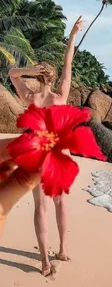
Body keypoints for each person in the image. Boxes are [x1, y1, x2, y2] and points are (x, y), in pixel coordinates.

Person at [8, 16, 84, 276]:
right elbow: (68, 62)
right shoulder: (60, 96)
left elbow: (11, 73)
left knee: (41, 207)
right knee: (60, 203)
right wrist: (72, 34)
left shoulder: (30, 96)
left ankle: (44, 261)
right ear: (53, 78)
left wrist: (30, 70)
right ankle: (62, 249)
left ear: (39, 76)